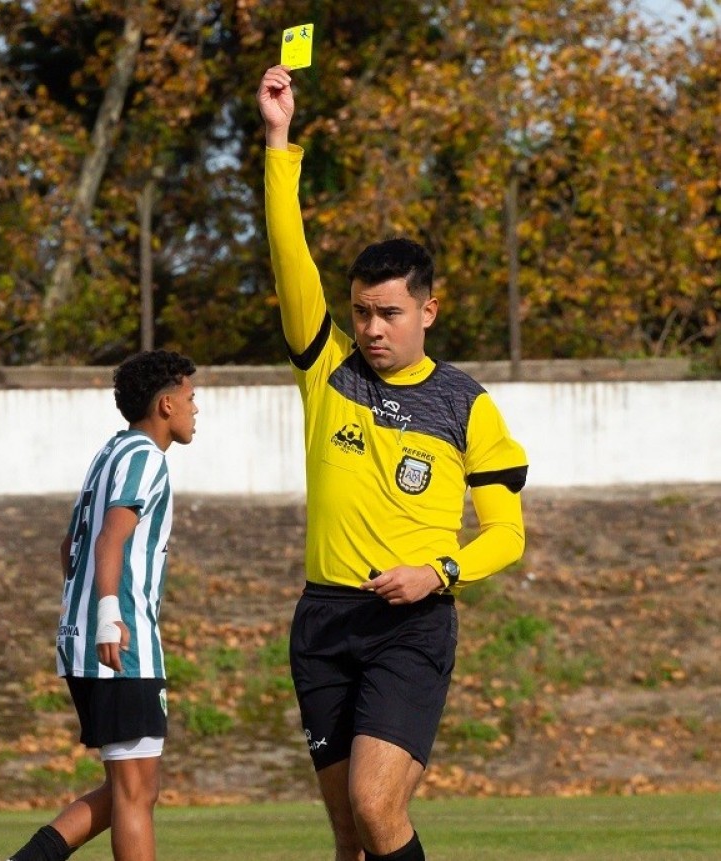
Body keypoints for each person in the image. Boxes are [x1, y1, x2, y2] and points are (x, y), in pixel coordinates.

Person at [257, 66, 529, 861]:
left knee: (377, 809)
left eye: (389, 313)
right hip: (323, 620)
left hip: (409, 625)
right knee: (348, 832)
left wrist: (438, 569)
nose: (372, 329)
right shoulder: (325, 365)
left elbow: (506, 534)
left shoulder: (465, 403)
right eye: (362, 313)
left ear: (427, 310)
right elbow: (288, 257)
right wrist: (279, 141)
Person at [7, 349, 198, 861]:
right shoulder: (145, 458)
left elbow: (69, 547)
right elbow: (109, 539)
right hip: (121, 646)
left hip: (83, 645)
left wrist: (85, 612)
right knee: (136, 794)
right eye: (190, 397)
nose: (195, 409)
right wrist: (110, 616)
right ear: (165, 405)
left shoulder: (109, 453)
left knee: (129, 791)